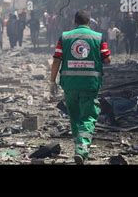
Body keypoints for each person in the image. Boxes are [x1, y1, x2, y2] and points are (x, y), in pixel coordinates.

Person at [50, 10, 111, 165]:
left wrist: (52, 81)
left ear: (74, 21)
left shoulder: (65, 37)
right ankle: (82, 148)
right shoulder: (98, 37)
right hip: (90, 84)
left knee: (75, 116)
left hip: (70, 84)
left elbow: (57, 60)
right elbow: (108, 59)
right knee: (88, 117)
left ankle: (79, 146)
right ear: (89, 21)